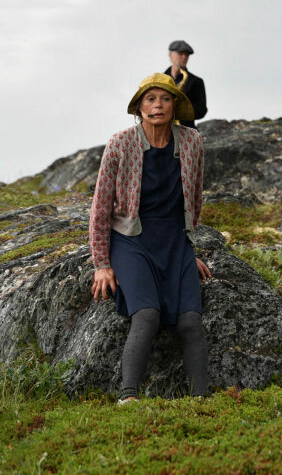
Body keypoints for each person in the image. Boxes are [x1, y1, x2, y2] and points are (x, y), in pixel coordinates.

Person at [89, 73, 211, 402]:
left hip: (174, 241)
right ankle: (128, 397)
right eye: (150, 99)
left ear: (175, 106)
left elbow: (194, 198)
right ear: (140, 107)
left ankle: (203, 401)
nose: (158, 105)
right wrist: (101, 263)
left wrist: (188, 251)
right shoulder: (120, 143)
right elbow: (100, 208)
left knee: (190, 321)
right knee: (147, 315)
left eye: (165, 99)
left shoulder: (192, 142)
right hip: (132, 241)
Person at [163, 40, 207, 129]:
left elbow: (201, 110)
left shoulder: (196, 81)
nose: (184, 57)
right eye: (180, 53)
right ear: (170, 55)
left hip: (185, 131)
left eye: (187, 55)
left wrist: (183, 110)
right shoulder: (158, 81)